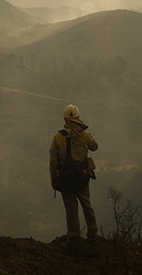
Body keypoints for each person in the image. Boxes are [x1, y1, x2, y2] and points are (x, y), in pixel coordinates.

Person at [49, 104, 98, 244]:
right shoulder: (83, 135)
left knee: (71, 209)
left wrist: (54, 180)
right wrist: (87, 134)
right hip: (82, 177)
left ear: (64, 120)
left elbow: (53, 162)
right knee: (86, 204)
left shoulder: (57, 137)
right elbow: (95, 147)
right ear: (78, 118)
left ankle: (73, 236)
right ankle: (93, 234)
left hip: (66, 179)